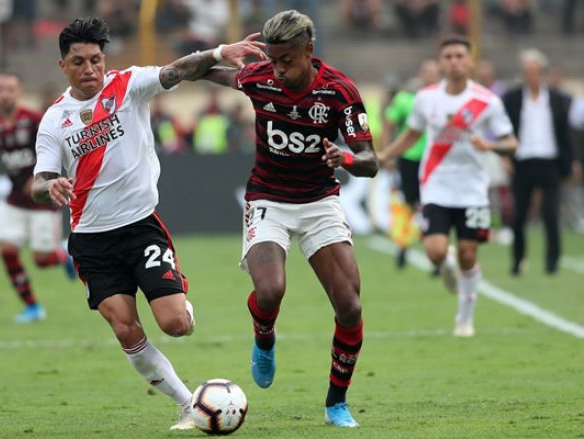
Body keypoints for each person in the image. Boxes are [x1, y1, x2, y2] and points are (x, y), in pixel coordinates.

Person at [30, 17, 265, 431]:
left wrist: (217, 54)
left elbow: (178, 71)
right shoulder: (54, 121)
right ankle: (188, 404)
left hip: (141, 228)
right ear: (62, 65)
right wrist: (48, 189)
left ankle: (181, 303)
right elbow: (39, 181)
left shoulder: (129, 85)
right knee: (125, 330)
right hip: (91, 241)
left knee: (175, 325)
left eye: (96, 60)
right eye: (79, 61)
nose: (90, 69)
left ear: (105, 60)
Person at [199, 10, 378, 427]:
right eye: (274, 60)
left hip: (319, 202)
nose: (278, 70)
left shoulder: (340, 92)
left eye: (288, 60)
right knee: (271, 290)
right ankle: (264, 339)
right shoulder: (258, 77)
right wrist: (215, 55)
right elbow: (206, 72)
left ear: (309, 51)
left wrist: (347, 157)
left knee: (350, 306)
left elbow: (370, 161)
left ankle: (336, 402)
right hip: (269, 198)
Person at [380, 35, 517, 338]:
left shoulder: (487, 102)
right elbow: (412, 133)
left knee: (469, 254)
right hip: (436, 184)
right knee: (434, 251)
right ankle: (447, 261)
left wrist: (491, 146)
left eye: (459, 56)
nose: (454, 62)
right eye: (448, 56)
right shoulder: (426, 98)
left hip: (473, 188)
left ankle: (464, 319)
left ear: (470, 61)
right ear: (441, 62)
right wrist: (386, 154)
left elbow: (511, 142)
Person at [0, 72, 75, 323]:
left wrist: (41, 177)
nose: (5, 93)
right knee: (7, 251)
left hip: (41, 202)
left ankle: (64, 254)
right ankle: (32, 307)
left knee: (41, 260)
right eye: (0, 89)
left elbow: (54, 149)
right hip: (15, 199)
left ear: (18, 93)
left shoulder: (33, 121)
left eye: (10, 89)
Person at [502, 49, 574, 275]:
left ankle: (553, 261)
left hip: (549, 160)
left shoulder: (555, 98)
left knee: (551, 213)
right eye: (527, 71)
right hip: (523, 161)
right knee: (520, 215)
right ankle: (517, 259)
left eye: (535, 71)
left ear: (542, 73)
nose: (531, 75)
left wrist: (571, 160)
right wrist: (506, 156)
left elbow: (564, 132)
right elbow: (504, 130)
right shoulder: (512, 98)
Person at [381, 59, 440, 269]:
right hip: (409, 159)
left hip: (434, 160)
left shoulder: (443, 99)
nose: (430, 76)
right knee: (408, 203)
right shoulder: (406, 99)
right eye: (427, 71)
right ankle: (403, 246)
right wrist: (387, 152)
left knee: (432, 205)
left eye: (434, 72)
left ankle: (434, 252)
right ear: (420, 74)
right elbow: (389, 123)